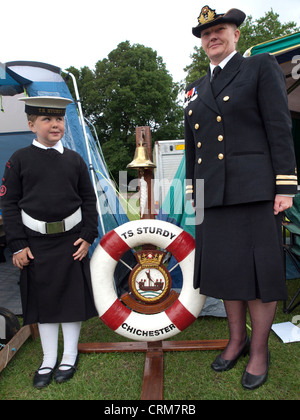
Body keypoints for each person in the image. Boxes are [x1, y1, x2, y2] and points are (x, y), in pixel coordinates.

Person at [185, 6, 298, 390]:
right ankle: (236, 340)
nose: (211, 37)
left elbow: (278, 126)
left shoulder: (259, 67)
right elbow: (192, 147)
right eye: (205, 34)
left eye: (219, 30)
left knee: (259, 272)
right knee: (228, 271)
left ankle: (259, 351)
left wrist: (285, 185)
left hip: (255, 190)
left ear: (235, 35)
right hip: (213, 193)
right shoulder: (196, 87)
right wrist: (194, 191)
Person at [0, 96, 99, 389]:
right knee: (44, 301)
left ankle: (68, 355)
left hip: (72, 241)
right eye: (46, 120)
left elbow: (89, 200)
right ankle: (48, 358)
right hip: (35, 242)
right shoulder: (18, 159)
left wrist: (88, 235)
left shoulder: (75, 159)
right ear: (32, 125)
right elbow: (9, 202)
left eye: (59, 119)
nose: (55, 124)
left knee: (70, 299)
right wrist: (17, 244)